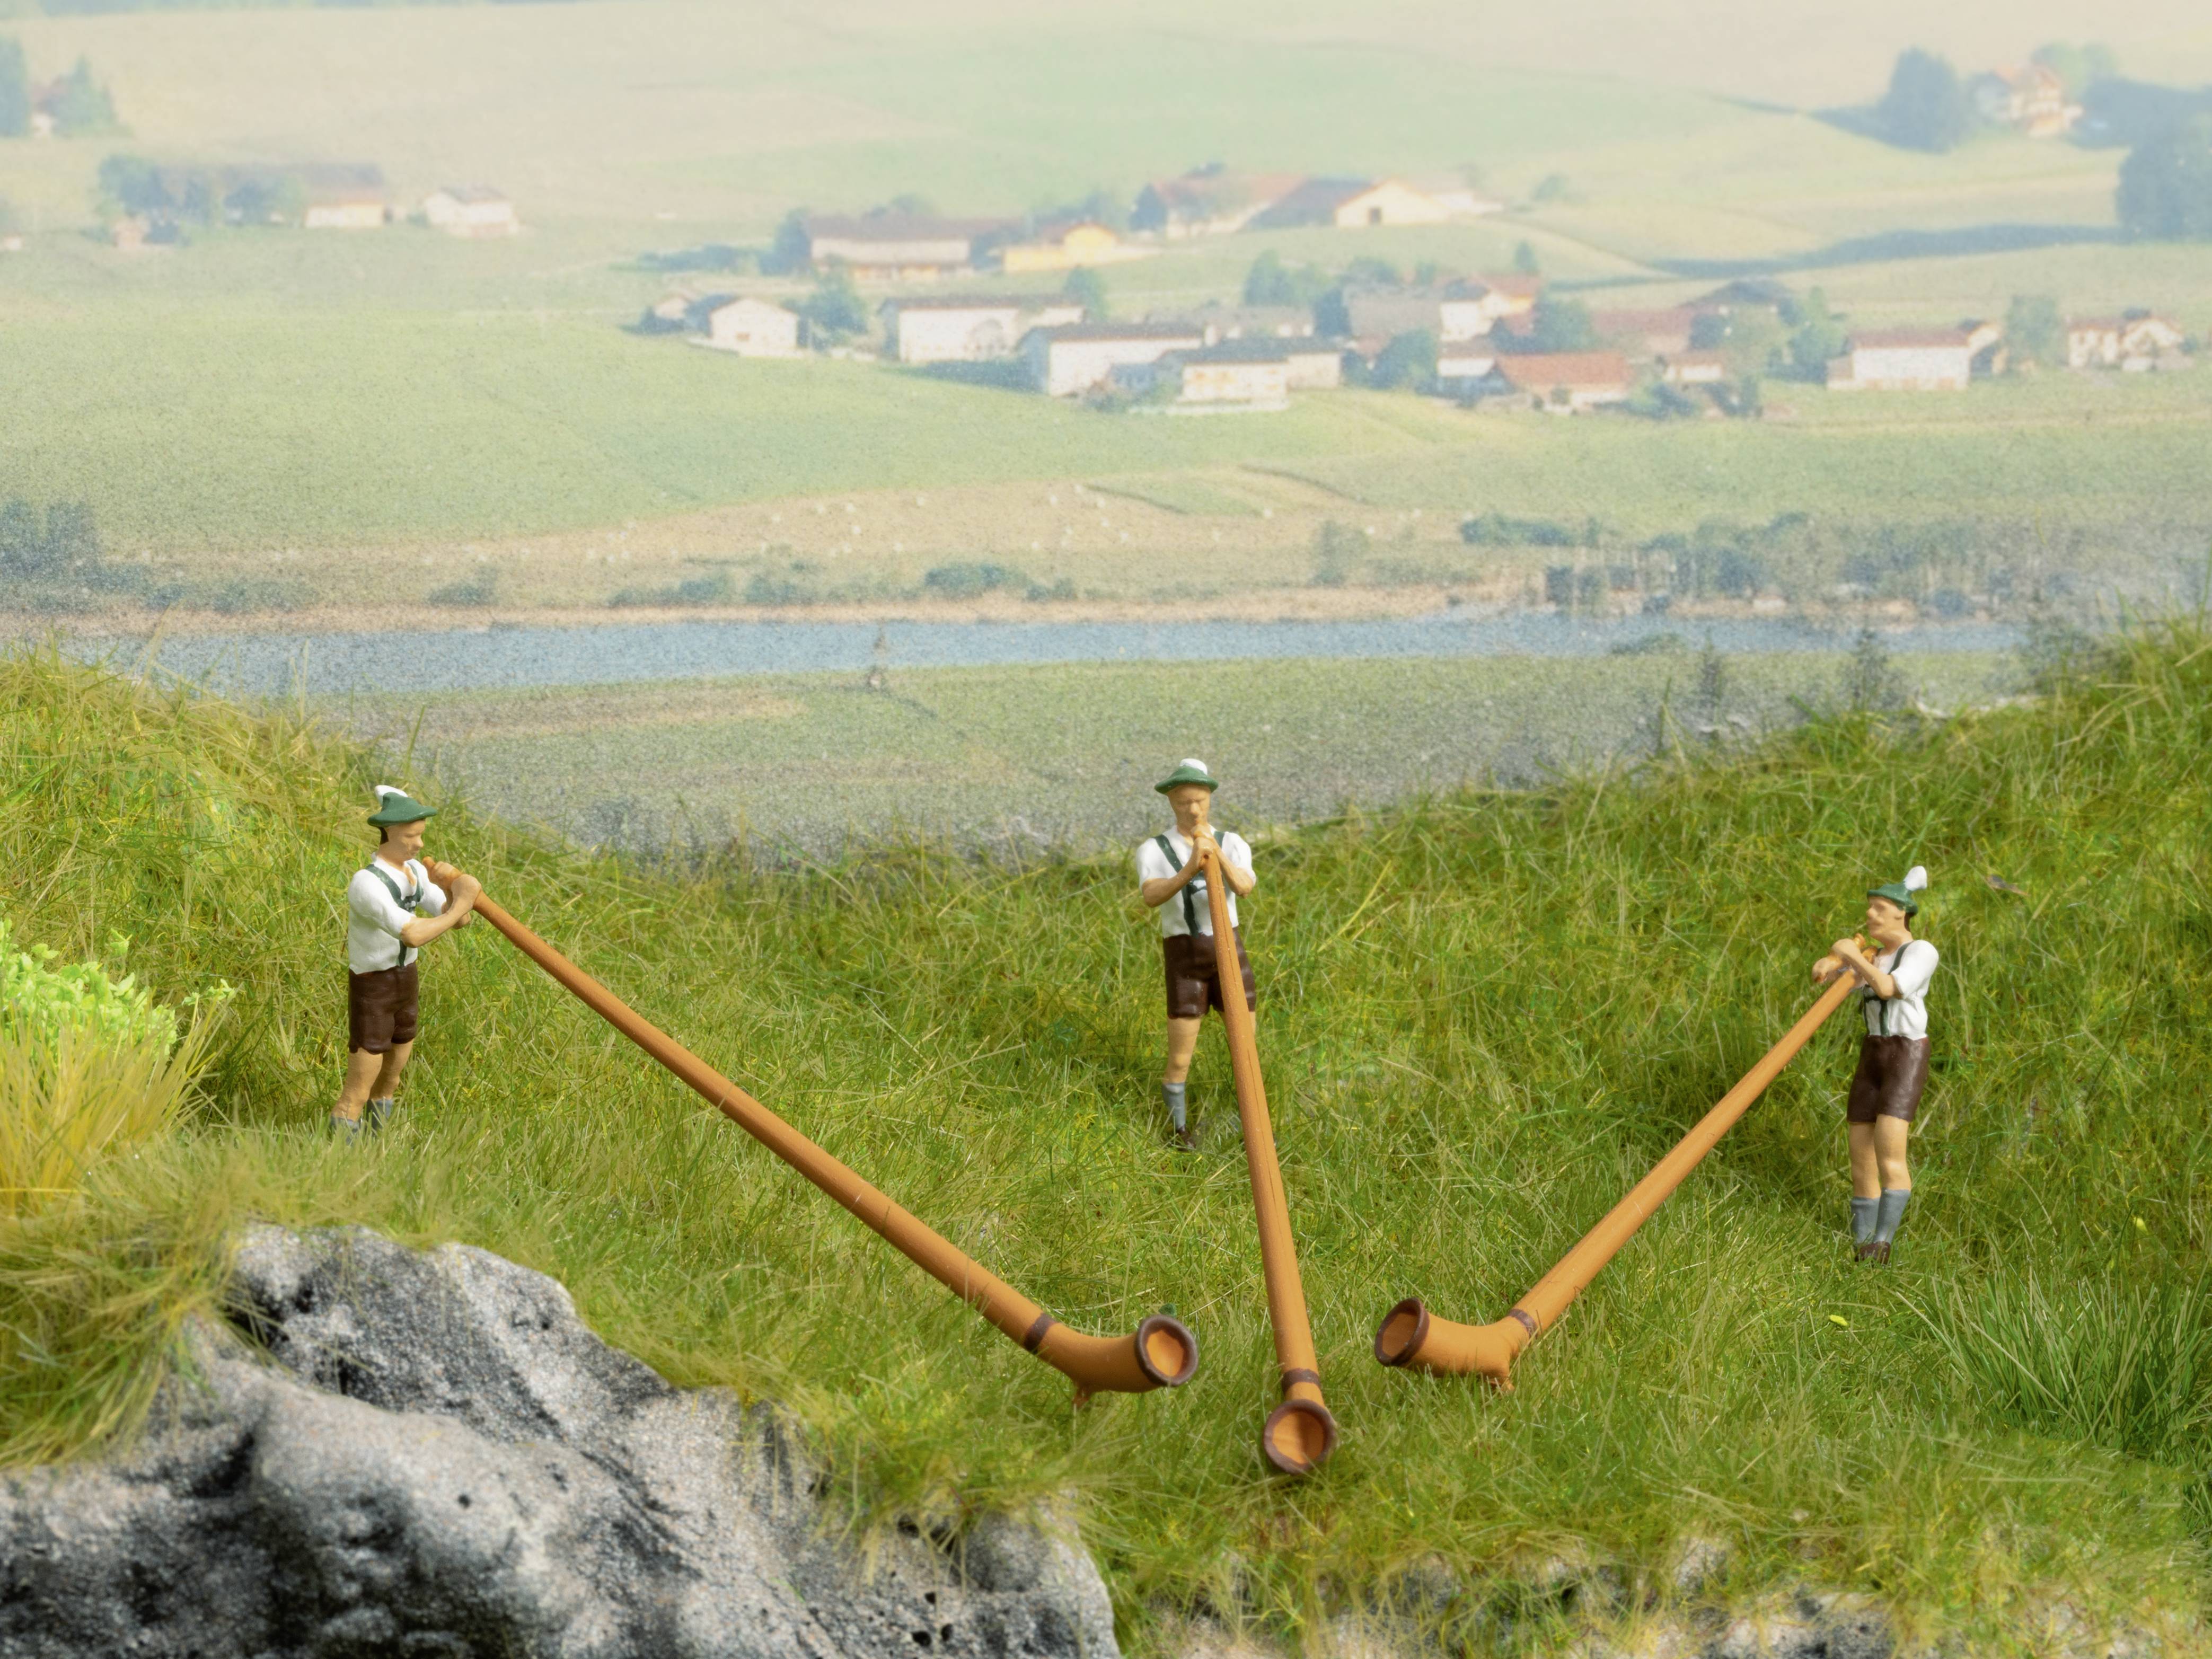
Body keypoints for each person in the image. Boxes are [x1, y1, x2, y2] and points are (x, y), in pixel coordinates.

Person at [333, 785, 479, 1141]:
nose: (419, 845)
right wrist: (462, 902)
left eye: (420, 836)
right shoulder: (366, 883)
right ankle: (341, 1154)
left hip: (405, 980)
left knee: (392, 1076)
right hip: (374, 986)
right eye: (411, 837)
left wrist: (452, 888)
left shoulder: (413, 870)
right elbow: (413, 934)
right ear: (389, 835)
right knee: (360, 1086)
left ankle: (377, 1144)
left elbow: (455, 920)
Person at [1812, 866, 1936, 1262]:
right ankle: (1859, 1243)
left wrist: (1851, 956)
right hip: (1872, 1053)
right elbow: (1835, 980)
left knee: (1888, 1150)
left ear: (1901, 913)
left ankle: (1882, 1242)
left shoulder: (1918, 953)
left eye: (1879, 909)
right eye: (1869, 908)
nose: (1870, 916)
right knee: (1860, 1153)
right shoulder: (1873, 956)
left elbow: (1886, 987)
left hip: (1904, 1054)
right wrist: (1831, 963)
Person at [1135, 760, 1256, 1150]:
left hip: (1229, 955)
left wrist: (1214, 854)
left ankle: (1249, 1121)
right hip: (1185, 957)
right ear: (1172, 802)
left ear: (1210, 799)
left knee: (1245, 1047)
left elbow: (1244, 886)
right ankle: (1178, 1131)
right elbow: (1152, 896)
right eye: (1184, 802)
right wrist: (1191, 866)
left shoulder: (1233, 842)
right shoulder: (1154, 849)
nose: (1193, 811)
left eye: (1199, 801)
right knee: (1180, 1055)